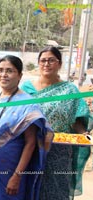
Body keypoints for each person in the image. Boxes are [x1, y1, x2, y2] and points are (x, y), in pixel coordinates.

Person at [0, 55, 54, 200]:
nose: (4, 75)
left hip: (11, 167)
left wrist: (17, 176)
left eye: (10, 71)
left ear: (20, 75)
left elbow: (31, 143)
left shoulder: (28, 103)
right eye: (0, 70)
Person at [20, 46, 90, 200]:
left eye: (51, 60)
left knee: (56, 190)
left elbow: (77, 117)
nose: (47, 64)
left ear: (59, 64)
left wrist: (83, 134)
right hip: (30, 147)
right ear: (38, 63)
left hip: (60, 150)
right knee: (30, 186)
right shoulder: (25, 89)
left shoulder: (69, 90)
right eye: (43, 60)